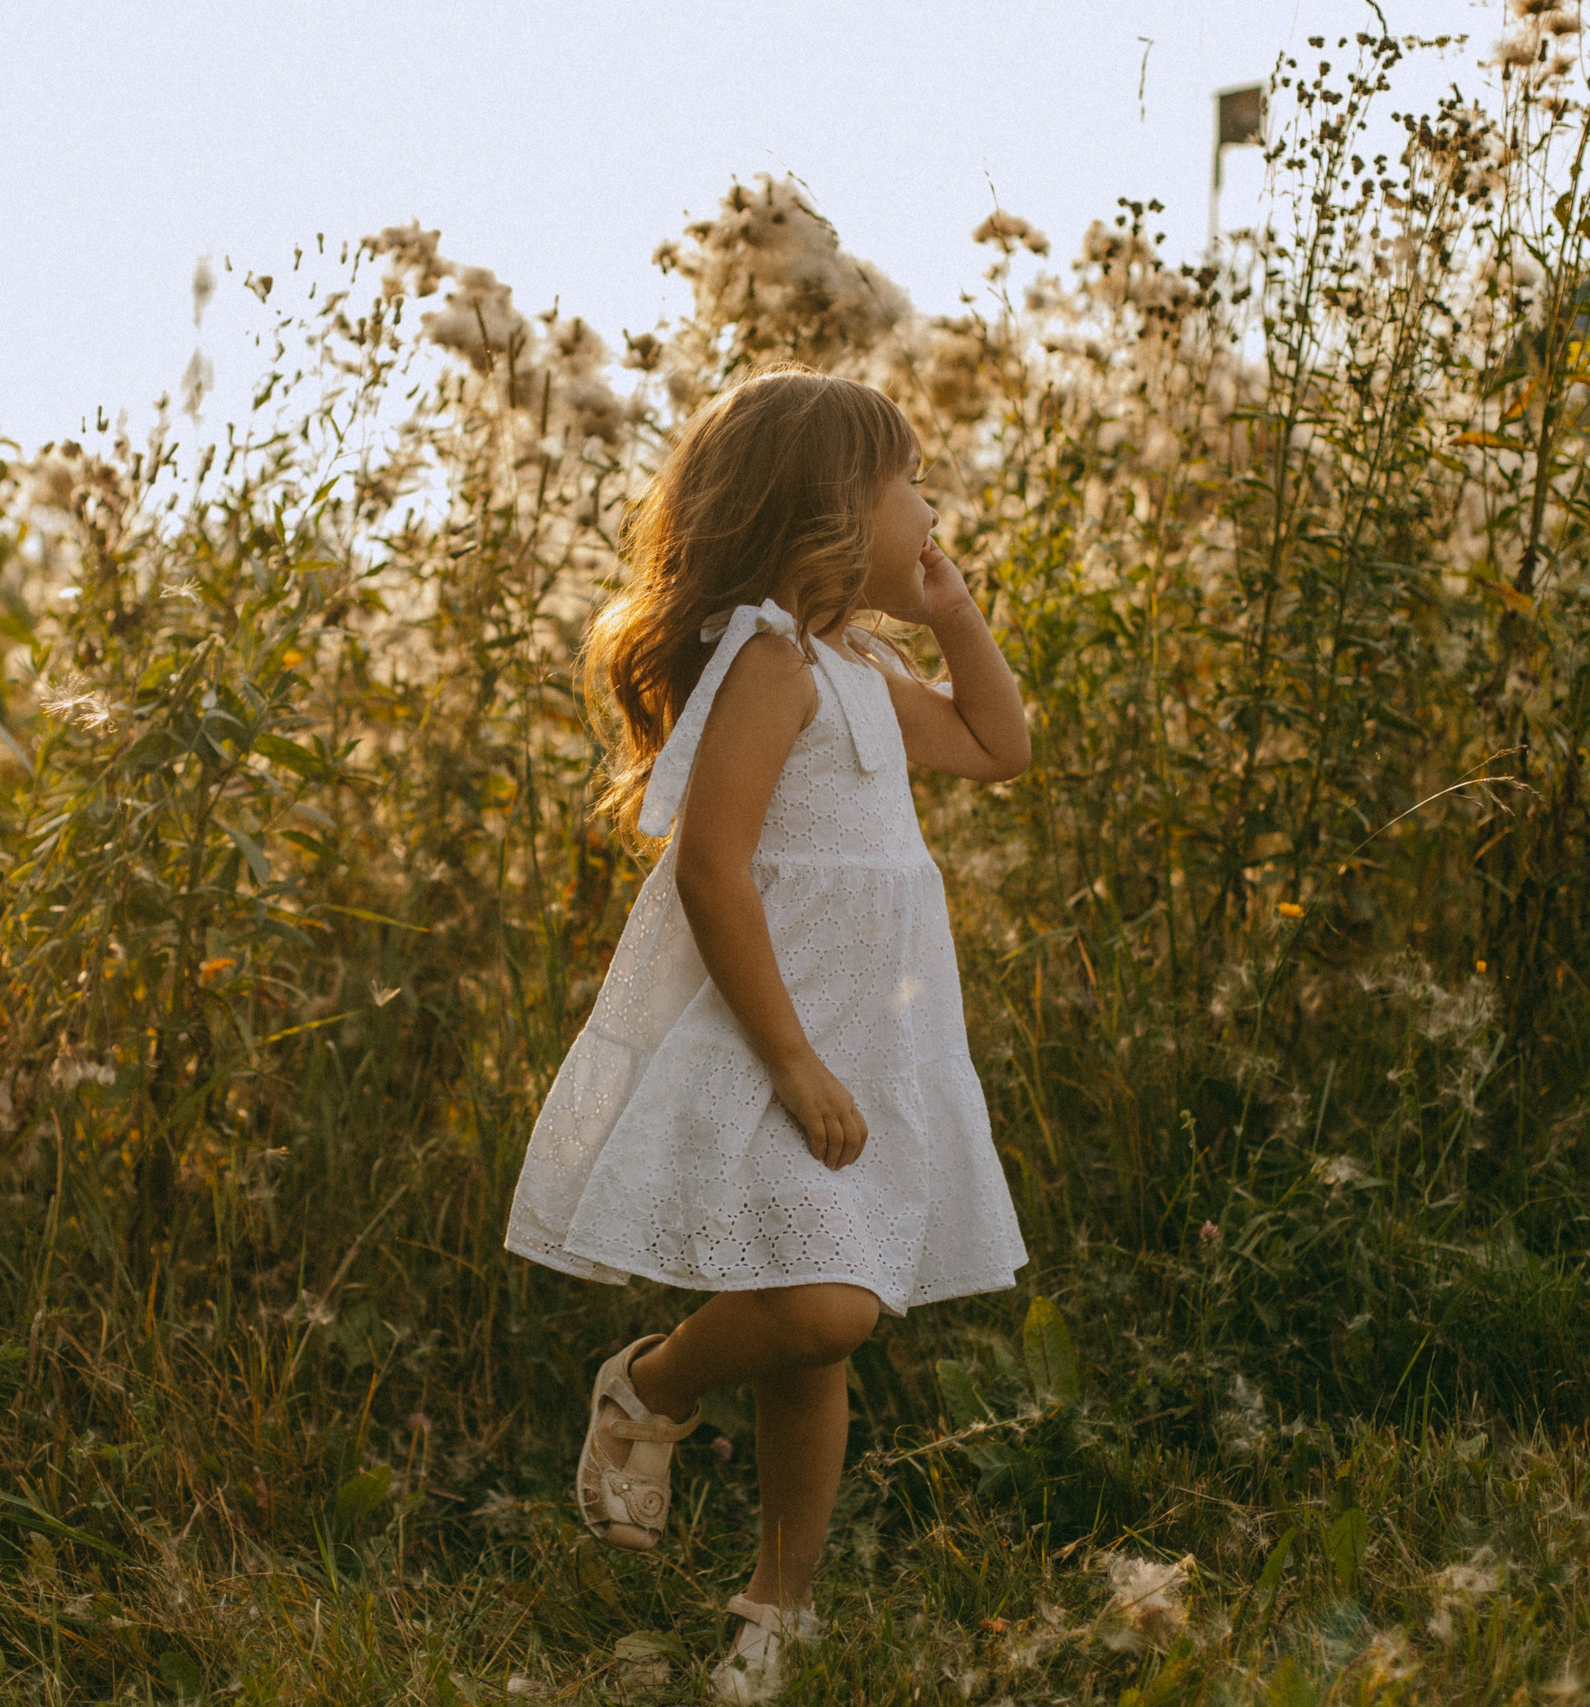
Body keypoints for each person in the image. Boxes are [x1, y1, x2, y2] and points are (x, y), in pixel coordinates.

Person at [504, 365, 1032, 1701]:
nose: (931, 508)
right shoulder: (767, 662)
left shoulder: (857, 663)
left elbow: (996, 745)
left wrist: (956, 609)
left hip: (866, 1040)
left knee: (823, 1329)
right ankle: (654, 1389)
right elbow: (713, 871)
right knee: (821, 1303)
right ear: (826, 517)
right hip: (774, 1041)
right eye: (908, 485)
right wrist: (793, 1060)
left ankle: (774, 1610)